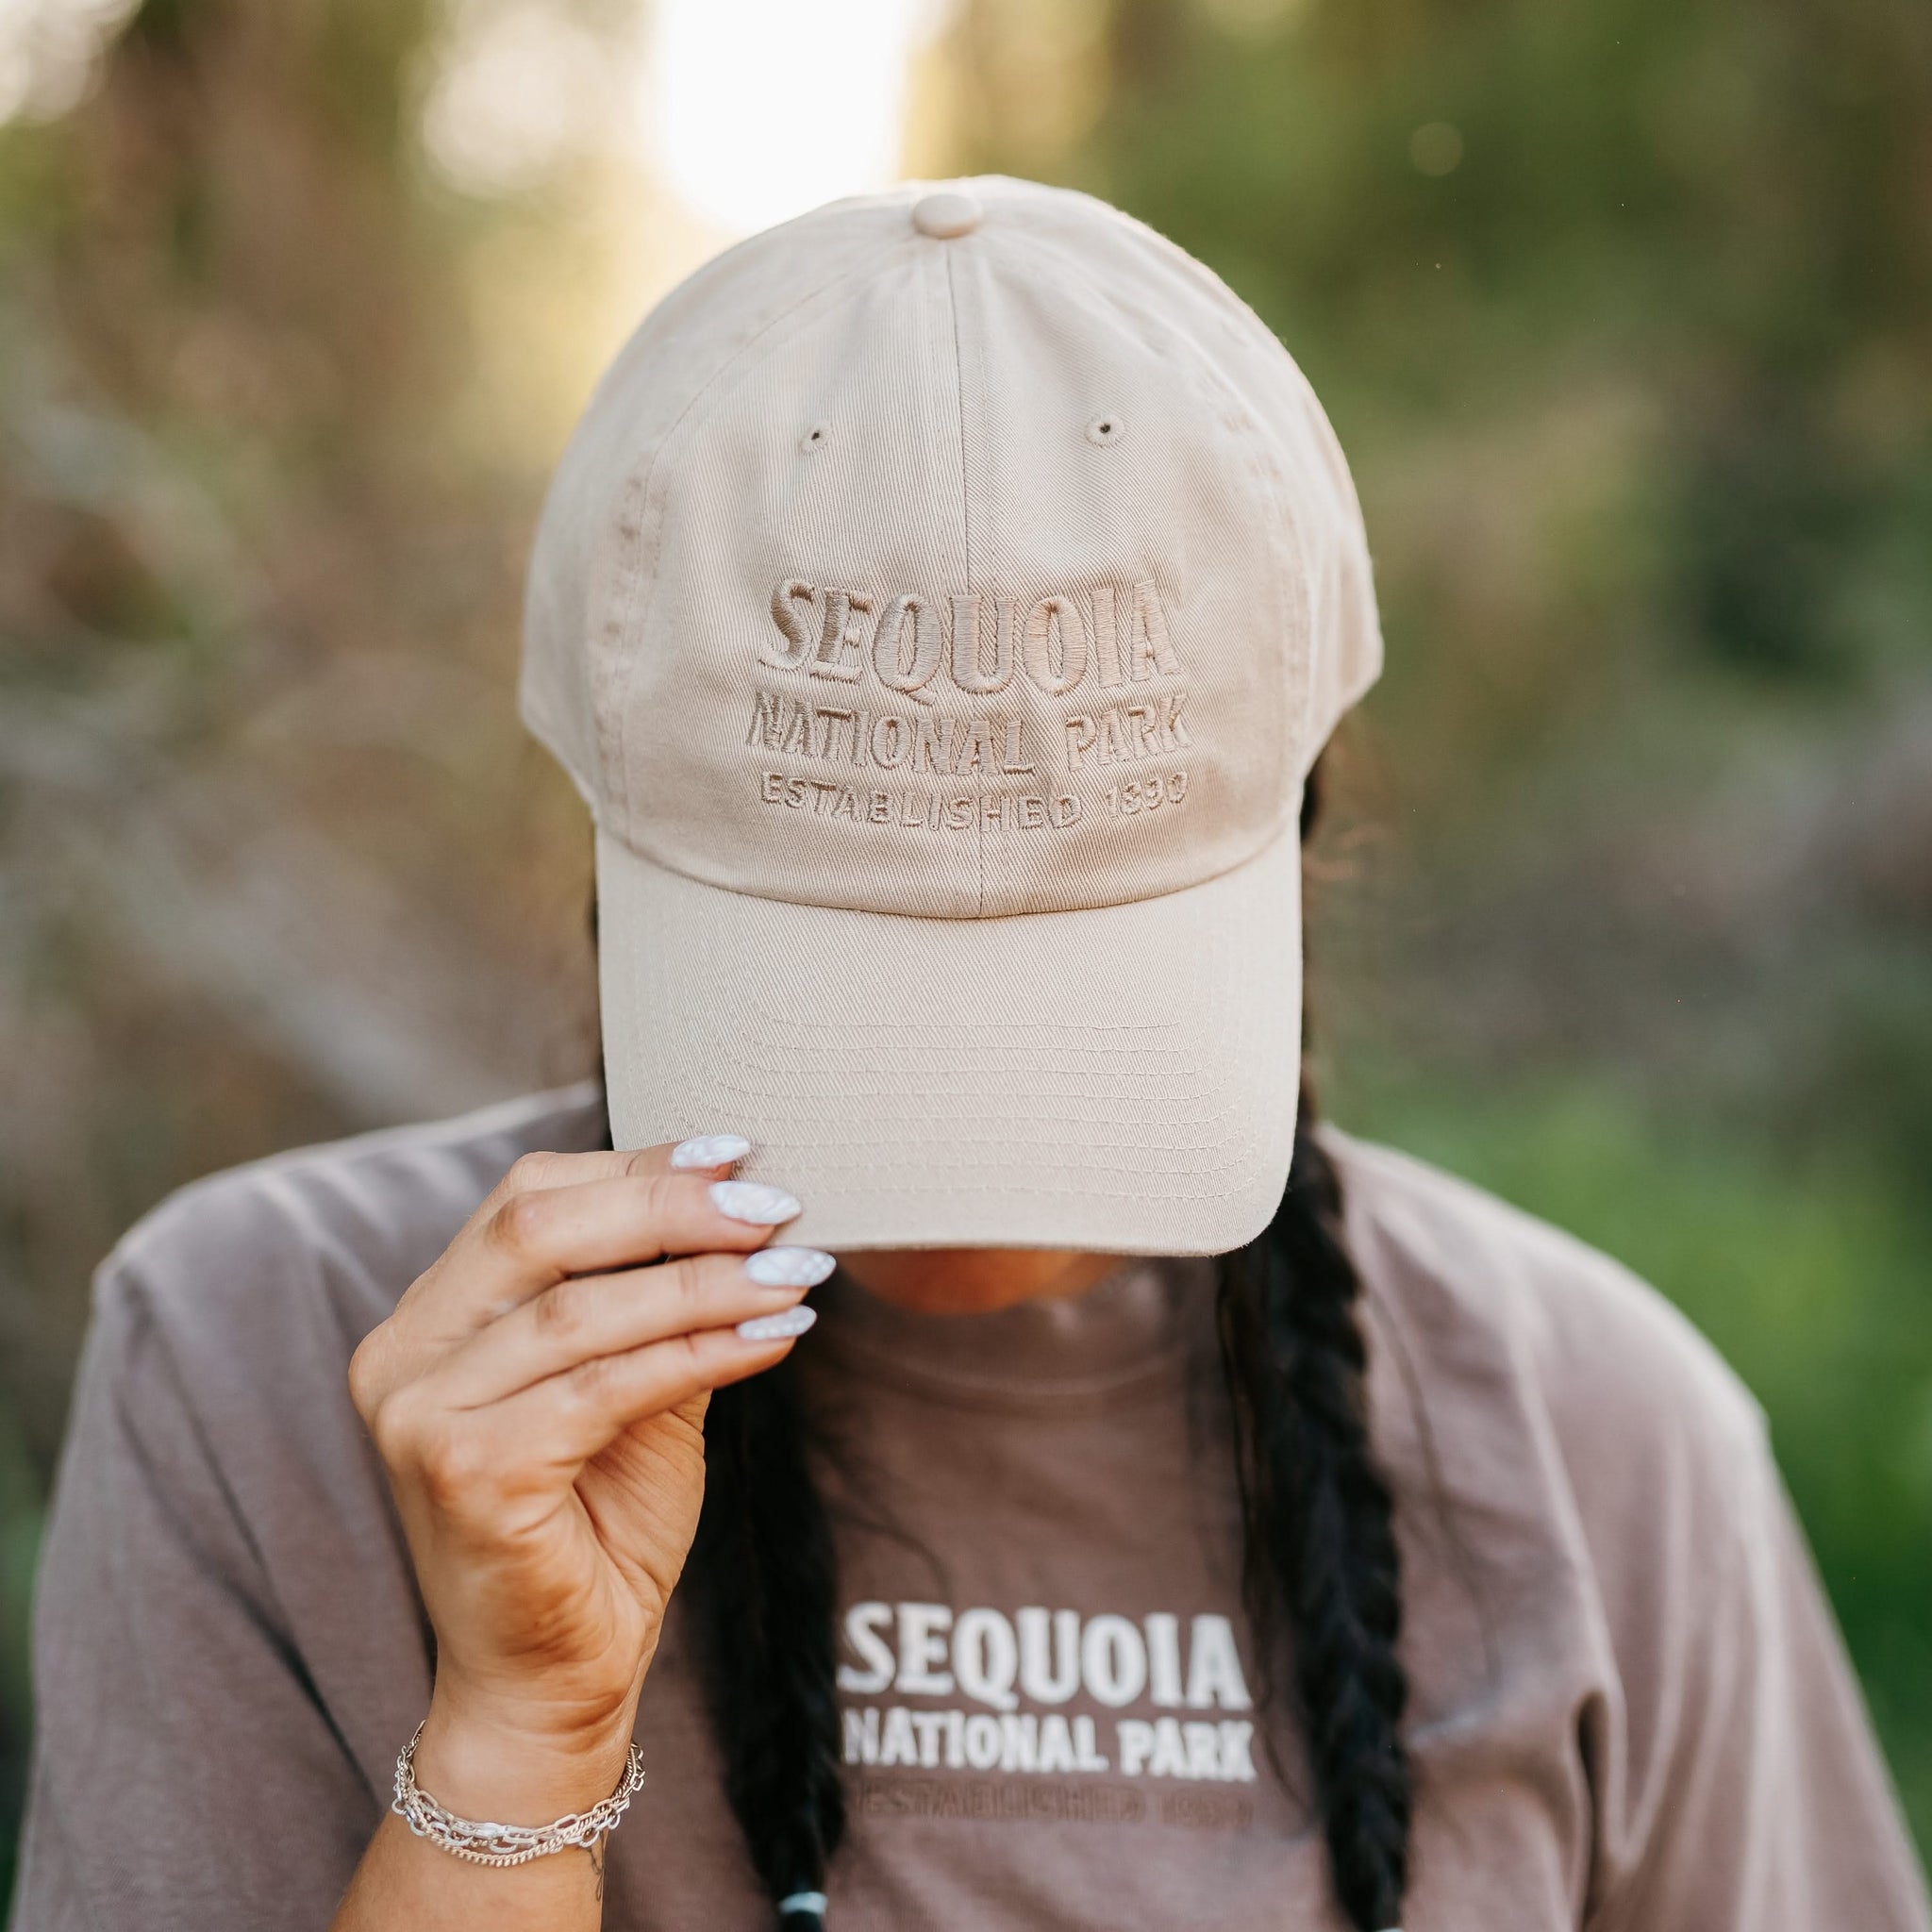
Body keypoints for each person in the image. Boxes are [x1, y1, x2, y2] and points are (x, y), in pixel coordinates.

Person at [11, 177, 1928, 1932]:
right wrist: (514, 1751)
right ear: (600, 820)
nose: (965, 1183)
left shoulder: (1606, 1452)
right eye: (847, 998)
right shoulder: (260, 1364)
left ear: (1305, 809)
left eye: (1068, 996)